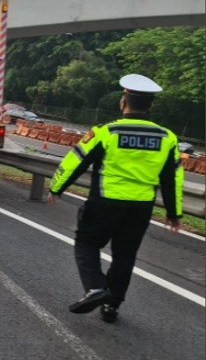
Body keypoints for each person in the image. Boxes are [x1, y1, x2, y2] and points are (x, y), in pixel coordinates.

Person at [47, 74, 183, 323]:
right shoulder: (168, 138)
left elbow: (76, 161)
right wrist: (174, 213)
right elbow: (171, 179)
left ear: (123, 102)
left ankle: (96, 287)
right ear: (150, 105)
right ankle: (112, 306)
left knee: (86, 242)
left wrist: (57, 187)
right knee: (125, 254)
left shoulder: (106, 132)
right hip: (141, 207)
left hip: (105, 201)